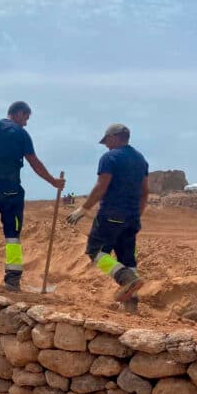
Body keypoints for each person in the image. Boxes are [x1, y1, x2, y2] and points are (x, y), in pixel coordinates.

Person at [0, 101, 65, 291]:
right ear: (19, 113)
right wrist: (53, 181)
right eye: (26, 118)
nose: (26, 123)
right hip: (10, 189)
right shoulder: (20, 133)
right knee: (12, 234)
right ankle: (12, 279)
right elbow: (34, 162)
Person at [66, 123, 149, 307]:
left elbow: (102, 186)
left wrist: (83, 209)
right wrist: (136, 215)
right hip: (132, 218)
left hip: (111, 214)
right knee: (126, 257)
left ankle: (126, 280)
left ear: (114, 137)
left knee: (95, 251)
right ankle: (131, 304)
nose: (106, 145)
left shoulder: (110, 158)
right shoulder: (140, 159)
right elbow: (145, 192)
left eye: (107, 141)